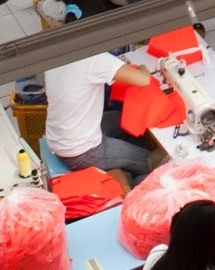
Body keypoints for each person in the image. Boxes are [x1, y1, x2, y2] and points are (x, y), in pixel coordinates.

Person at [44, 50, 164, 187]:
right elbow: (143, 79)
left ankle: (127, 157)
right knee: (152, 161)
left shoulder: (55, 56)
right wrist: (143, 67)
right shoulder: (93, 59)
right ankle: (132, 184)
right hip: (82, 152)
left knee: (125, 119)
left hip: (61, 138)